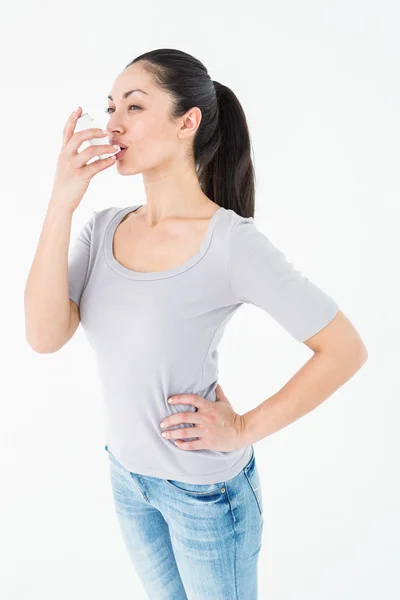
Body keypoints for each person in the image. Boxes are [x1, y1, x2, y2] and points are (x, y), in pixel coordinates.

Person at [25, 48, 367, 600]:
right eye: (111, 106)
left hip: (206, 496)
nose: (112, 123)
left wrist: (243, 428)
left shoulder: (229, 242)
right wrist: (61, 203)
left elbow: (345, 349)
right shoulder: (100, 228)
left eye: (134, 107)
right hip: (127, 478)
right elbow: (43, 337)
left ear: (188, 122)